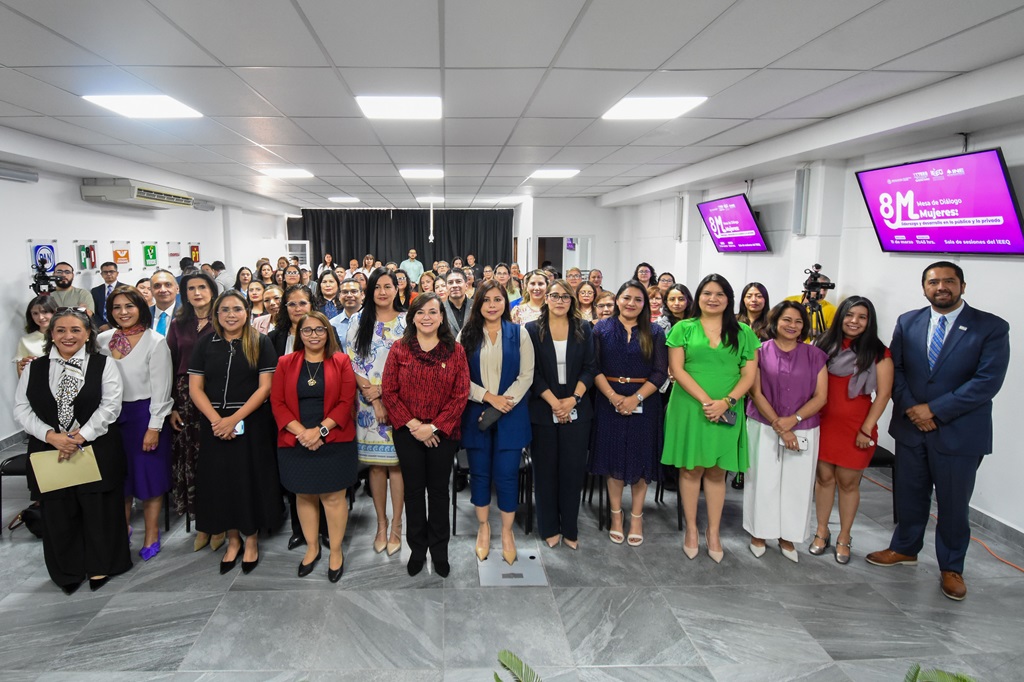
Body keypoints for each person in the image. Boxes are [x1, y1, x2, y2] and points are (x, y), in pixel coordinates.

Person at [867, 263, 1009, 601]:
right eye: (934, 282)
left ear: (962, 285)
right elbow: (895, 370)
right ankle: (904, 548)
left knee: (953, 504)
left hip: (959, 432)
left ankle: (951, 567)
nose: (941, 287)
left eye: (948, 281)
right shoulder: (908, 321)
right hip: (911, 428)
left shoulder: (990, 327)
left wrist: (934, 410)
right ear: (924, 287)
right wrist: (914, 410)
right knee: (909, 495)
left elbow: (987, 382)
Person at [14, 307, 130, 594]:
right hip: (49, 450)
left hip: (96, 447)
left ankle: (102, 565)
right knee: (59, 512)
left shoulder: (104, 365)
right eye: (61, 330)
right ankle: (69, 569)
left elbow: (111, 406)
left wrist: (80, 436)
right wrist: (51, 436)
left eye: (76, 330)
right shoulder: (34, 368)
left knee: (98, 510)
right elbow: (22, 409)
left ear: (88, 333)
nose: (68, 336)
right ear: (51, 334)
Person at [662, 274, 759, 563]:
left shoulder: (743, 331)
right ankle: (691, 529)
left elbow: (749, 374)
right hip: (690, 407)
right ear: (698, 297)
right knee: (691, 469)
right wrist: (707, 402)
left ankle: (713, 532)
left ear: (729, 299)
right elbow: (677, 370)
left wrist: (725, 402)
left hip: (728, 408)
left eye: (719, 294)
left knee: (718, 471)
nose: (713, 298)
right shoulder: (684, 328)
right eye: (707, 293)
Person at [189, 290, 282, 574]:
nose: (231, 315)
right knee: (221, 482)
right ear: (216, 314)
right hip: (214, 424)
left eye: (237, 309)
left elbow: (265, 388)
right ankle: (232, 539)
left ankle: (251, 539)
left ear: (247, 312)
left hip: (251, 423)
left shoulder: (260, 342)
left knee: (249, 481)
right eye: (225, 310)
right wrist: (218, 420)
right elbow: (195, 388)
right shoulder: (205, 344)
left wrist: (234, 419)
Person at [382, 293, 470, 577]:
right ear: (412, 317)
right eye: (420, 312)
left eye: (433, 312)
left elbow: (460, 394)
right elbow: (389, 391)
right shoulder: (399, 349)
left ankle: (440, 551)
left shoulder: (455, 351)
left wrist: (432, 427)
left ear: (442, 317)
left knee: (439, 492)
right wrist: (414, 426)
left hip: (444, 433)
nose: (427, 317)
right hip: (408, 432)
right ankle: (418, 550)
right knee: (414, 492)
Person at [272, 311, 357, 582]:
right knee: (304, 495)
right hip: (295, 439)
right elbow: (278, 403)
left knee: (333, 498)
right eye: (307, 330)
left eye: (319, 330)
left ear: (328, 333)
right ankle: (311, 548)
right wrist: (303, 434)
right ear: (300, 334)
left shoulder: (341, 361)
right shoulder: (286, 362)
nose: (314, 335)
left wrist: (319, 431)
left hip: (333, 438)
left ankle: (335, 551)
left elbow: (346, 402)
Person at [811, 296, 893, 565]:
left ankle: (844, 537)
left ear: (869, 322)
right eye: (850, 315)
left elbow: (883, 395)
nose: (854, 321)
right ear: (841, 316)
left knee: (848, 483)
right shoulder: (824, 344)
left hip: (856, 428)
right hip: (823, 423)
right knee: (823, 479)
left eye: (862, 317)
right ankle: (821, 531)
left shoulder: (879, 353)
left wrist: (867, 429)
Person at [744, 301, 828, 562]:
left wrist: (794, 419)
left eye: (798, 322)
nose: (792, 326)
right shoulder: (759, 351)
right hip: (764, 424)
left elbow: (821, 396)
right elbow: (755, 392)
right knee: (761, 480)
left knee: (798, 484)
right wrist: (779, 424)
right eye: (787, 320)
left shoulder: (815, 355)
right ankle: (759, 533)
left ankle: (788, 536)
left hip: (803, 427)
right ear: (775, 321)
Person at [458, 281, 534, 564]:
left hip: (511, 416)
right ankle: (483, 529)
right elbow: (458, 378)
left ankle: (506, 532)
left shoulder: (519, 334)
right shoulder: (466, 334)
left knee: (506, 475)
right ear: (478, 303)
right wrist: (489, 397)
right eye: (486, 300)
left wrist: (504, 403)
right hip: (476, 414)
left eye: (498, 299)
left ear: (506, 303)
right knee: (479, 474)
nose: (492, 305)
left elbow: (527, 375)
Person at [98, 286, 174, 561]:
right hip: (110, 417)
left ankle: (151, 533)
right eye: (117, 307)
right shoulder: (103, 340)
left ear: (141, 307)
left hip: (145, 415)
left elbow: (162, 388)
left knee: (149, 478)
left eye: (129, 306)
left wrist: (154, 427)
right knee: (120, 478)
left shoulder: (155, 341)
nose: (123, 312)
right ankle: (122, 530)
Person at [591, 281, 668, 547]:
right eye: (626, 298)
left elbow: (659, 372)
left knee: (640, 460)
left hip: (644, 402)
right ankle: (616, 515)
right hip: (608, 399)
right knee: (613, 461)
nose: (631, 303)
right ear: (617, 300)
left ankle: (636, 516)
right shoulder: (601, 328)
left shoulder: (655, 332)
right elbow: (594, 367)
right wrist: (614, 397)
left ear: (645, 304)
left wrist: (635, 398)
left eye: (637, 299)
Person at [526, 279, 596, 551]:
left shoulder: (584, 329)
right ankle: (549, 527)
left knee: (572, 470)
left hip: (577, 407)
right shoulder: (532, 330)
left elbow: (590, 368)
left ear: (572, 301)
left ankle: (569, 527)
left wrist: (573, 400)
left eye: (565, 297)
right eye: (554, 296)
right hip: (544, 408)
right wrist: (556, 403)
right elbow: (531, 372)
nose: (559, 301)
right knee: (544, 471)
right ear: (546, 298)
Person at [347, 269, 407, 556]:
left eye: (388, 286)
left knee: (397, 466)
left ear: (398, 289)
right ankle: (380, 524)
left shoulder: (408, 322)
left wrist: (383, 393)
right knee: (376, 466)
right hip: (367, 406)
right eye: (377, 287)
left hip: (400, 401)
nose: (382, 292)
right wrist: (373, 395)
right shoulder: (360, 321)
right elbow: (352, 361)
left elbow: (412, 364)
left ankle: (397, 526)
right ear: (369, 291)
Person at [165, 272, 220, 551]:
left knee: (216, 461)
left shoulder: (224, 318)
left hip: (216, 394)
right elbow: (170, 364)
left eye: (202, 287)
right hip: (185, 397)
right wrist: (172, 404)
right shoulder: (178, 324)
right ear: (184, 293)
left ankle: (220, 521)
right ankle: (202, 523)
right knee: (192, 461)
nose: (197, 292)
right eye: (191, 288)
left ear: (212, 290)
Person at [784, 272, 836, 341]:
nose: (822, 293)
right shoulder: (790, 301)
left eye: (825, 289)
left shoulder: (832, 309)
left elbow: (833, 335)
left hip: (815, 349)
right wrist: (806, 331)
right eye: (819, 288)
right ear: (807, 288)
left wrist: (817, 332)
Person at [15, 295, 58, 377]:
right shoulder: (25, 341)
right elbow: (21, 374)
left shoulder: (65, 337)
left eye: (45, 312)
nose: (40, 317)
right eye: (35, 313)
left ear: (54, 312)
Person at [328, 278, 364, 353]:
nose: (349, 295)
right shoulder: (332, 324)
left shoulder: (374, 320)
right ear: (339, 296)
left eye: (354, 291)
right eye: (345, 292)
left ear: (362, 294)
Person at [91, 262, 127, 330]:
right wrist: (101, 324)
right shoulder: (95, 291)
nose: (108, 274)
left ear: (117, 273)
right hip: (101, 328)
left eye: (111, 271)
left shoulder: (125, 289)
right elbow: (94, 311)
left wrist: (110, 325)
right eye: (105, 272)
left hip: (121, 325)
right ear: (101, 274)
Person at [149, 269, 180, 337]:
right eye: (157, 286)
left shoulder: (188, 314)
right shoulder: (142, 315)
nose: (163, 290)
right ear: (151, 291)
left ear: (177, 289)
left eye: (168, 285)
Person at [442, 270, 471, 335]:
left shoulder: (476, 306)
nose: (454, 285)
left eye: (458, 281)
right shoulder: (440, 309)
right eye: (450, 282)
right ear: (446, 287)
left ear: (466, 285)